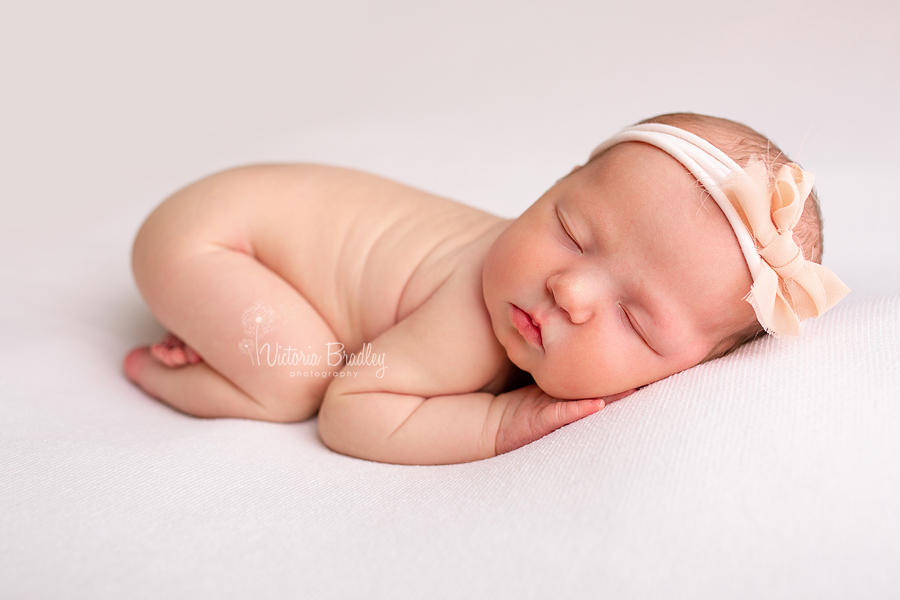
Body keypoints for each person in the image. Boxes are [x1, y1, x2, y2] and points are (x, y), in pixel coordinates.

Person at [123, 113, 849, 465]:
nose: (568, 291)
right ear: (551, 186)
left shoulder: (531, 290)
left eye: (634, 318)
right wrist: (500, 425)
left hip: (245, 221)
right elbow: (351, 412)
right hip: (211, 239)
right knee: (301, 379)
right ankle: (168, 372)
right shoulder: (472, 314)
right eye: (570, 230)